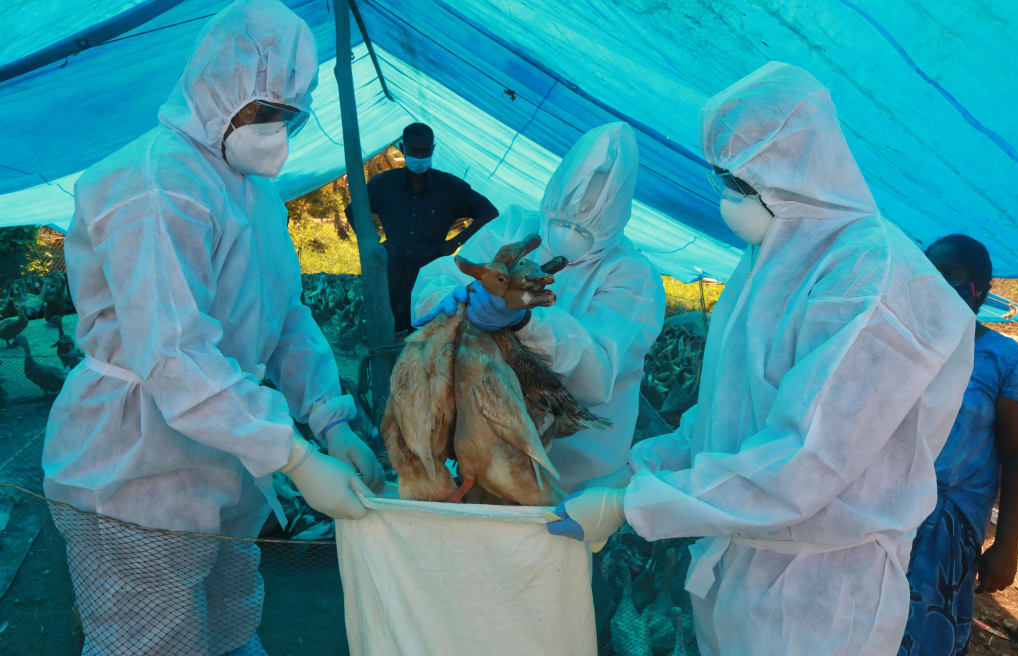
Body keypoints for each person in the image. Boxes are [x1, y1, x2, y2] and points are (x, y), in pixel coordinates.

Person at [546, 62, 977, 654]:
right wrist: (641, 467)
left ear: (794, 170)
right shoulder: (771, 259)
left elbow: (804, 461)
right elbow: (728, 411)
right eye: (721, 176)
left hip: (819, 597)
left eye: (739, 181)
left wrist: (632, 504)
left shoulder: (871, 279)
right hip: (741, 560)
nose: (727, 195)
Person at [41, 2, 383, 654]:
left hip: (224, 461)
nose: (276, 131)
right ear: (213, 89)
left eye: (288, 114)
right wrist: (296, 456)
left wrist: (330, 419)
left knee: (230, 620)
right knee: (150, 640)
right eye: (261, 112)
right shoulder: (154, 185)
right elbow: (172, 354)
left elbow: (284, 319)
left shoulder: (253, 192)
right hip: (133, 469)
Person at [412, 122, 665, 494]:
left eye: (584, 231)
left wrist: (526, 320)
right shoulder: (515, 227)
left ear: (613, 223)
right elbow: (444, 274)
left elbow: (597, 374)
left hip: (572, 471)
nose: (566, 237)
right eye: (560, 222)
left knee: (545, 539)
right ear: (550, 200)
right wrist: (452, 298)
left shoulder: (633, 276)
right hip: (479, 440)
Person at [900, 235, 1018, 655]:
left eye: (951, 276)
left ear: (980, 288)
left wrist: (1008, 547)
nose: (936, 283)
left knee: (923, 629)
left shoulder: (1008, 362)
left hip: (946, 523)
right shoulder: (899, 342)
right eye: (929, 272)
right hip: (882, 505)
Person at [346, 122, 499, 333]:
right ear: (402, 148)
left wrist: (455, 242)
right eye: (413, 151)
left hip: (431, 272)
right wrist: (372, 243)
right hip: (392, 272)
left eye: (424, 151)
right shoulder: (384, 184)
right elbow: (353, 210)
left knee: (428, 331)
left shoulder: (450, 187)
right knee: (390, 332)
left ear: (433, 149)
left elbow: (489, 213)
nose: (419, 156)